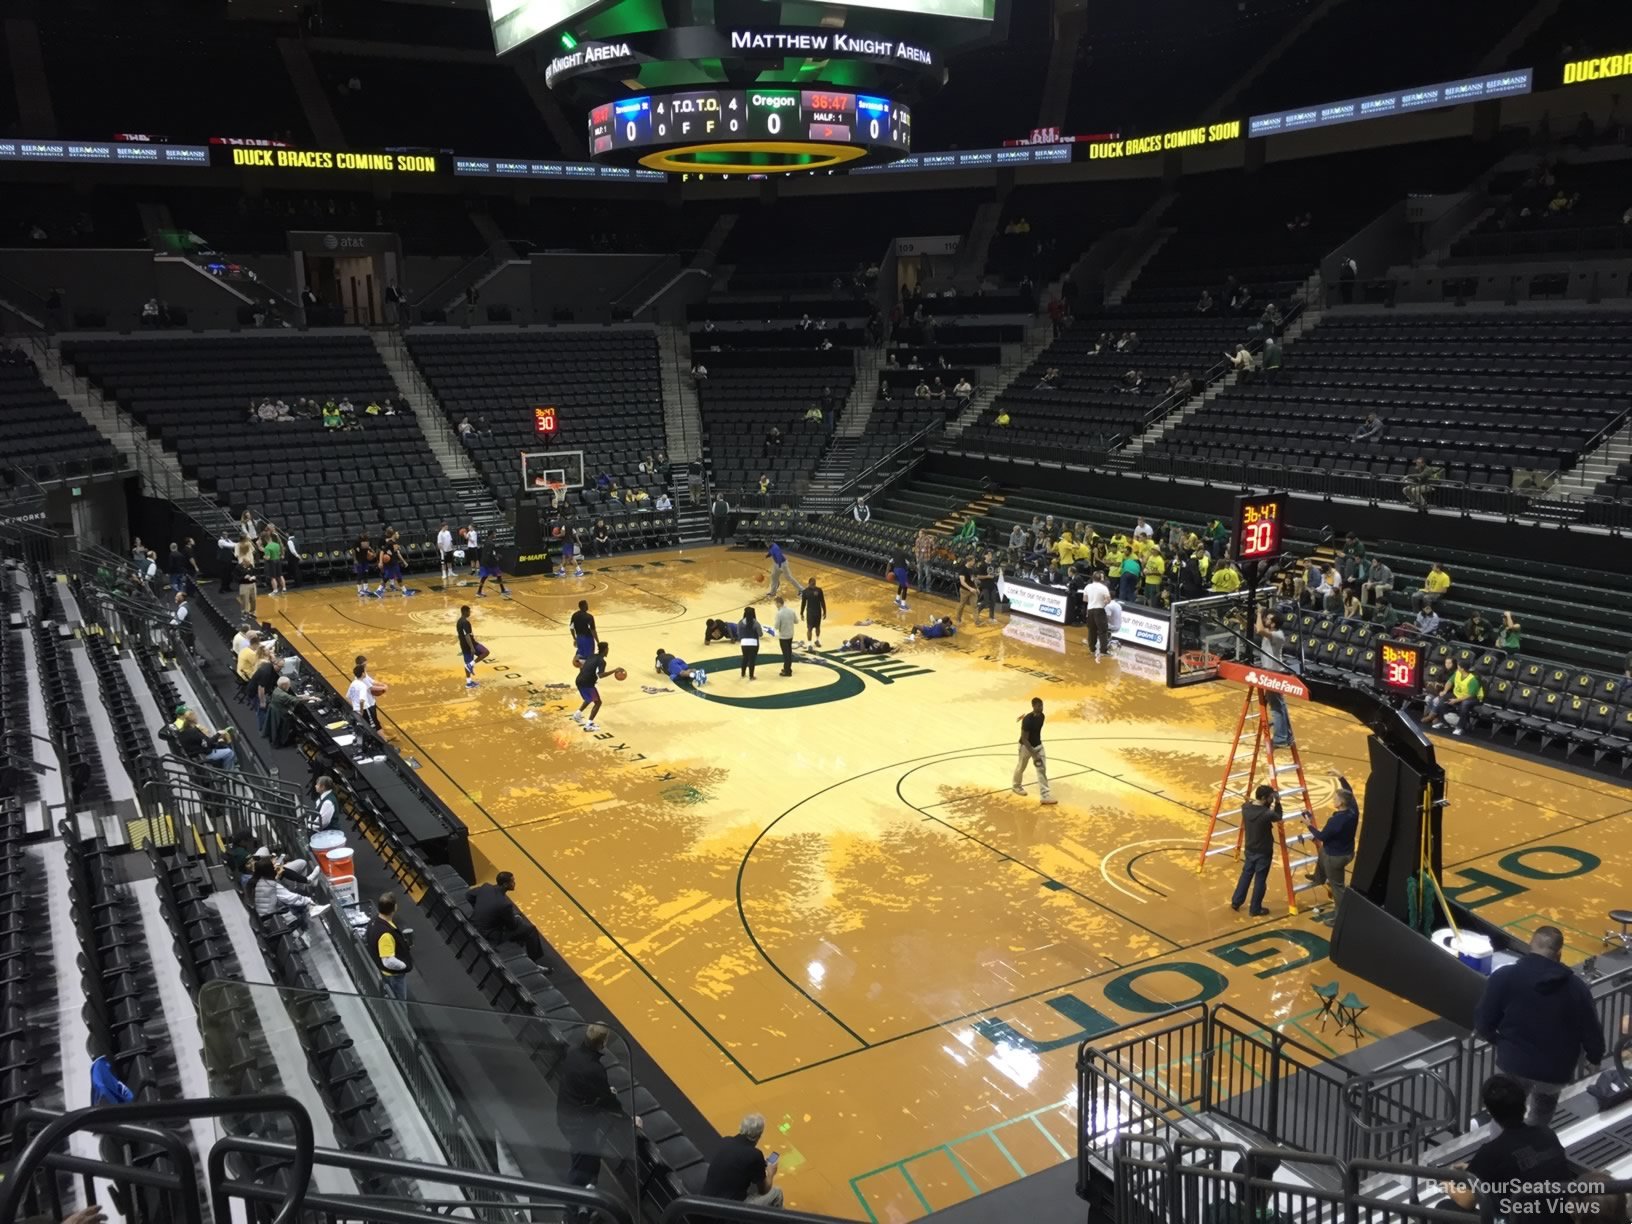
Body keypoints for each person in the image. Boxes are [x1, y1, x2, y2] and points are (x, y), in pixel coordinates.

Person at [1474, 925, 1604, 1127]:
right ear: (1559, 952)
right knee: (1542, 1114)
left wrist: (1500, 1042)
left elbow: (1483, 1022)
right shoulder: (1576, 988)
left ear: (1530, 945)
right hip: (1555, 1070)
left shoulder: (1504, 977)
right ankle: (1535, 1146)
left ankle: (1504, 1150)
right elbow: (1590, 1028)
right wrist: (1594, 1057)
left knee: (1505, 1115)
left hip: (1514, 1062)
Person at [1439, 1074, 1576, 1222]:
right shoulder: (1547, 1134)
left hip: (1521, 1218)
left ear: (1490, 1112)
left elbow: (1466, 1201)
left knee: (1444, 1207)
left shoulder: (1491, 1152)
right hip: (1564, 1217)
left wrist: (1446, 1182)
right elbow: (1525, 1166)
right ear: (1523, 1105)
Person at [559, 1025, 637, 1191]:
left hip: (565, 1114)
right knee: (580, 1169)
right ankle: (572, 1211)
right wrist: (629, 1120)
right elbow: (609, 1103)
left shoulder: (572, 1054)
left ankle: (588, 1197)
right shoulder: (595, 1069)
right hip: (578, 1125)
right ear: (603, 1044)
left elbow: (579, 1085)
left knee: (590, 1161)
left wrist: (601, 1092)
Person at [701, 1112, 783, 1209]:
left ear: (741, 1127)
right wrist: (771, 1173)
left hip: (705, 1201)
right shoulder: (755, 1155)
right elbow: (764, 1190)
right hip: (728, 1210)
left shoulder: (725, 1141)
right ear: (759, 1135)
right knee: (777, 1192)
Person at [1305, 773, 1358, 909]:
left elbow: (1321, 836)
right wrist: (1340, 777)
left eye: (1335, 798)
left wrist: (1309, 825)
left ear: (1340, 803)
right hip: (1347, 851)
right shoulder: (1353, 811)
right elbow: (1349, 792)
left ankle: (1340, 915)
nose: (1333, 800)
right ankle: (1319, 877)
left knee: (1337, 887)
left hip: (1335, 857)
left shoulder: (1336, 821)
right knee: (1322, 851)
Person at [467, 871, 545, 961]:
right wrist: (517, 918)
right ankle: (534, 961)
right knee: (530, 929)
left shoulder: (486, 887)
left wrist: (478, 907)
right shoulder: (504, 905)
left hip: (473, 923)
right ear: (505, 885)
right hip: (488, 933)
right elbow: (512, 926)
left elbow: (468, 895)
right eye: (512, 881)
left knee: (515, 917)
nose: (514, 883)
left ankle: (520, 943)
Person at [1230, 785, 1282, 916]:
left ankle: (1236, 901)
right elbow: (1278, 816)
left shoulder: (1245, 808)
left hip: (1250, 848)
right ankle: (1255, 908)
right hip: (1263, 850)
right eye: (1270, 797)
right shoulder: (1266, 813)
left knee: (1246, 875)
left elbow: (1251, 804)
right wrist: (1278, 802)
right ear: (1264, 798)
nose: (1272, 798)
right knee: (1260, 879)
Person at [252, 857, 328, 931]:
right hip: (272, 921)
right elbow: (290, 898)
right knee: (298, 897)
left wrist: (277, 876)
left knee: (297, 896)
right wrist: (309, 901)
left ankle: (309, 883)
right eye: (274, 866)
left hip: (266, 915)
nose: (278, 866)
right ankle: (311, 908)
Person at [1256, 609, 1294, 747]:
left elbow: (1259, 630)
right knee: (1280, 705)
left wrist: (1259, 613)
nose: (1265, 620)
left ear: (1273, 624)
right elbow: (1256, 628)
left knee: (1276, 708)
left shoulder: (1277, 635)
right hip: (1271, 672)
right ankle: (1287, 736)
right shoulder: (1272, 634)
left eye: (1268, 619)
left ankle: (1280, 738)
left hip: (1274, 673)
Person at [366, 892, 412, 1001]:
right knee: (400, 1005)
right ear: (395, 907)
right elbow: (388, 961)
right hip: (394, 977)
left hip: (387, 974)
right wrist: (404, 966)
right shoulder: (385, 934)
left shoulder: (374, 921)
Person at [1012, 698, 1057, 805]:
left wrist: (1038, 750)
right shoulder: (1028, 720)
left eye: (1042, 705)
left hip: (1038, 745)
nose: (1041, 708)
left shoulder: (1042, 716)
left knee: (1041, 769)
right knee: (1021, 767)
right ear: (1033, 706)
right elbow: (1024, 739)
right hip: (1025, 747)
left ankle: (1045, 796)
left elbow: (1036, 733)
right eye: (1039, 706)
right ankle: (1016, 786)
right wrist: (1034, 755)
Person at [1425, 660, 1483, 736]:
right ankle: (1443, 722)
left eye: (1458, 666)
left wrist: (1456, 700)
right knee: (1442, 698)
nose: (1457, 667)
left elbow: (1470, 695)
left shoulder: (1473, 679)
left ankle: (1459, 727)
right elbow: (1449, 682)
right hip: (1459, 695)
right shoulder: (1457, 673)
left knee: (1465, 704)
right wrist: (1445, 691)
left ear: (1462, 669)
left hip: (1473, 698)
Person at [573, 642, 610, 731]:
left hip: (579, 680)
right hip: (587, 683)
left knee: (590, 698)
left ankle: (577, 714)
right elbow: (601, 675)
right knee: (598, 703)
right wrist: (614, 671)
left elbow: (580, 661)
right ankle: (589, 724)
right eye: (607, 648)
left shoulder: (591, 656)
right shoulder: (602, 661)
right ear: (605, 650)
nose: (608, 650)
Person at [347, 662, 381, 731]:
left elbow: (348, 697)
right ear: (362, 674)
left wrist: (355, 707)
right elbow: (361, 700)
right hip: (365, 709)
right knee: (375, 727)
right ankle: (384, 741)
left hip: (357, 710)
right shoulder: (362, 685)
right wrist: (361, 711)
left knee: (367, 725)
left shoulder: (353, 683)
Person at [457, 604, 482, 689]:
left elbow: (461, 635)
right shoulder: (465, 622)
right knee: (484, 652)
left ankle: (469, 682)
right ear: (465, 612)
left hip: (463, 645)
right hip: (468, 645)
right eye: (469, 611)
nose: (470, 612)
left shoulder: (459, 621)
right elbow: (467, 635)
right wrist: (471, 647)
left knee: (467, 663)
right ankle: (468, 682)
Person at [773, 596, 798, 676]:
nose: (776, 605)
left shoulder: (779, 613)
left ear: (779, 603)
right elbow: (796, 621)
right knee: (789, 652)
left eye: (776, 604)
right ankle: (788, 668)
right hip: (790, 634)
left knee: (786, 654)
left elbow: (776, 626)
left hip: (783, 636)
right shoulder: (791, 611)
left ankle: (787, 671)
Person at [570, 600, 599, 666]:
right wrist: (598, 641)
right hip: (588, 639)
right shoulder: (589, 617)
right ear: (584, 606)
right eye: (586, 605)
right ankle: (586, 673)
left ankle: (582, 671)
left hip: (579, 638)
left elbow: (571, 628)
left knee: (581, 658)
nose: (587, 606)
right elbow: (593, 630)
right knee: (588, 658)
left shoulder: (574, 615)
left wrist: (575, 638)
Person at [800, 577, 826, 648]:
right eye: (812, 583)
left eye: (815, 583)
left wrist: (824, 611)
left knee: (818, 627)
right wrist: (801, 613)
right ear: (809, 583)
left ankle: (817, 640)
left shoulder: (819, 590)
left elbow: (822, 601)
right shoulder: (805, 591)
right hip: (810, 612)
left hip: (818, 611)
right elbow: (803, 603)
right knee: (809, 628)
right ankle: (809, 644)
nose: (814, 585)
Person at [738, 607, 762, 679]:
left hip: (744, 643)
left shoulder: (740, 622)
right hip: (754, 643)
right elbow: (760, 634)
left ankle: (743, 674)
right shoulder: (756, 623)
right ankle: (751, 676)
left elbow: (738, 634)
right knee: (752, 660)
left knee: (745, 658)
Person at [437, 522, 456, 587]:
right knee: (443, 563)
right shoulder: (440, 534)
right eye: (446, 526)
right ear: (443, 526)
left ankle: (450, 572)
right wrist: (443, 550)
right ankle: (444, 573)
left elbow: (450, 541)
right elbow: (439, 544)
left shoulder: (448, 532)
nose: (447, 527)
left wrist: (452, 547)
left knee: (449, 561)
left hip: (449, 549)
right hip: (444, 550)